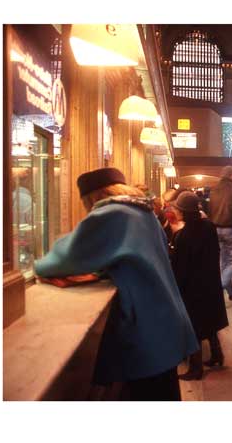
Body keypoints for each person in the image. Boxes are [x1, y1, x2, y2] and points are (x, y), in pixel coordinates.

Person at [34, 167, 198, 400]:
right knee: (164, 391)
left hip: (144, 328)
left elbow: (66, 257)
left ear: (91, 197)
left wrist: (37, 266)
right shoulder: (144, 213)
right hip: (164, 318)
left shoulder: (111, 215)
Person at [169, 192, 229, 380]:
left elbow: (180, 268)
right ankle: (217, 355)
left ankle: (196, 368)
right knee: (210, 321)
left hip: (192, 287)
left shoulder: (182, 236)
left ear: (182, 212)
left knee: (193, 326)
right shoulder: (209, 226)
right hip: (210, 281)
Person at [209, 166, 232, 301]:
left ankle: (231, 292)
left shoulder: (214, 189)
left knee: (223, 260)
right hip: (231, 227)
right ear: (231, 176)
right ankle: (219, 286)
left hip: (216, 228)